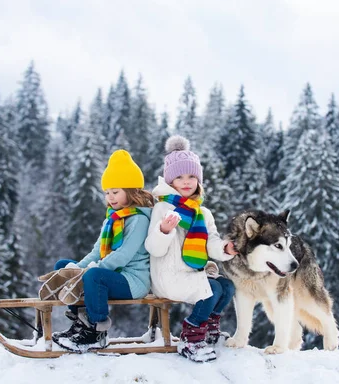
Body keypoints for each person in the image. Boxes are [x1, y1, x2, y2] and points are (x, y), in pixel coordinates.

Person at [145, 135, 237, 362]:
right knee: (211, 290)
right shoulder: (164, 207)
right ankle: (191, 337)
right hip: (168, 276)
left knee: (226, 286)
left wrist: (225, 248)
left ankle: (209, 329)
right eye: (179, 177)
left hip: (192, 272)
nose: (186, 182)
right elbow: (153, 249)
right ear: (170, 181)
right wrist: (164, 231)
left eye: (192, 176)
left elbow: (211, 242)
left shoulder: (202, 213)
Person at [52, 150, 154, 352]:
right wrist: (76, 269)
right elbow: (96, 252)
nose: (110, 197)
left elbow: (123, 256)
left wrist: (89, 271)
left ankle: (96, 331)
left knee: (93, 276)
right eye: (107, 193)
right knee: (63, 266)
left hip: (133, 281)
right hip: (110, 274)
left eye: (115, 192)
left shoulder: (139, 219)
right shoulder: (112, 219)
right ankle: (81, 323)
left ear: (131, 190)